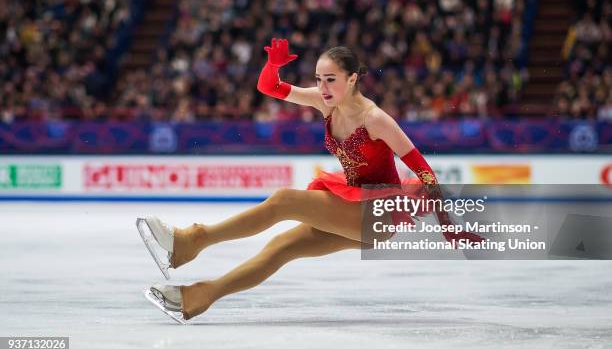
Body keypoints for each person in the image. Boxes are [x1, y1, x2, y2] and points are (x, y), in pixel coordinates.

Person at [139, 38, 483, 323]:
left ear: (352, 79)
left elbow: (424, 169)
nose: (322, 87)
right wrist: (273, 64)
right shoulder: (325, 103)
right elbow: (268, 86)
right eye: (319, 79)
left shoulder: (376, 119)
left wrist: (447, 224)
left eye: (330, 79)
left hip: (377, 213)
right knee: (280, 248)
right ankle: (201, 296)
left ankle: (193, 240)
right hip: (353, 207)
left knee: (283, 201)